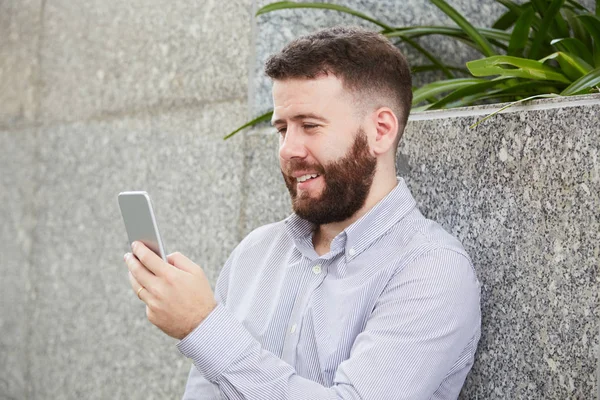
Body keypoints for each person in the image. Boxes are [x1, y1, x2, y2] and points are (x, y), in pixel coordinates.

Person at [123, 26, 481, 400]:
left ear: (381, 130)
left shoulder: (431, 269)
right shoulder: (255, 253)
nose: (288, 149)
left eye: (310, 126)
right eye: (282, 128)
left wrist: (201, 325)